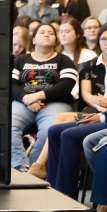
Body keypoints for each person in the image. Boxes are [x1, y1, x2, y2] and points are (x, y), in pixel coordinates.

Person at [11, 22, 78, 171]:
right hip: (24, 102)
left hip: (55, 103)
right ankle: (20, 166)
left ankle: (36, 168)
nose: (47, 34)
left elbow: (67, 84)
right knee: (9, 124)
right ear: (33, 40)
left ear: (56, 40)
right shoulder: (20, 60)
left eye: (51, 33)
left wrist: (38, 95)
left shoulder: (64, 60)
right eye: (42, 32)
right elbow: (10, 84)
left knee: (49, 130)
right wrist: (26, 99)